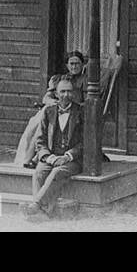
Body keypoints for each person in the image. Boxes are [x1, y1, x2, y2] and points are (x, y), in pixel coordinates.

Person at [14, 50, 91, 168]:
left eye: (77, 63)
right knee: (35, 122)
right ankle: (27, 157)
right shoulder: (60, 79)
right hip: (56, 110)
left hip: (73, 111)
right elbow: (46, 97)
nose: (74, 66)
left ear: (82, 65)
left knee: (41, 120)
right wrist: (54, 103)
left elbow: (86, 102)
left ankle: (34, 158)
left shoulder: (86, 80)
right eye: (71, 64)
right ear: (67, 65)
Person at [27, 78, 83, 219]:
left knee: (57, 172)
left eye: (69, 91)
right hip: (51, 156)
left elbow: (86, 142)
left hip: (73, 160)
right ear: (56, 94)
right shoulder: (48, 111)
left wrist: (67, 156)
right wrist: (48, 156)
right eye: (62, 91)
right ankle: (43, 212)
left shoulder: (81, 112)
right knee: (39, 172)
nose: (66, 95)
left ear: (74, 93)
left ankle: (37, 205)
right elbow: (40, 140)